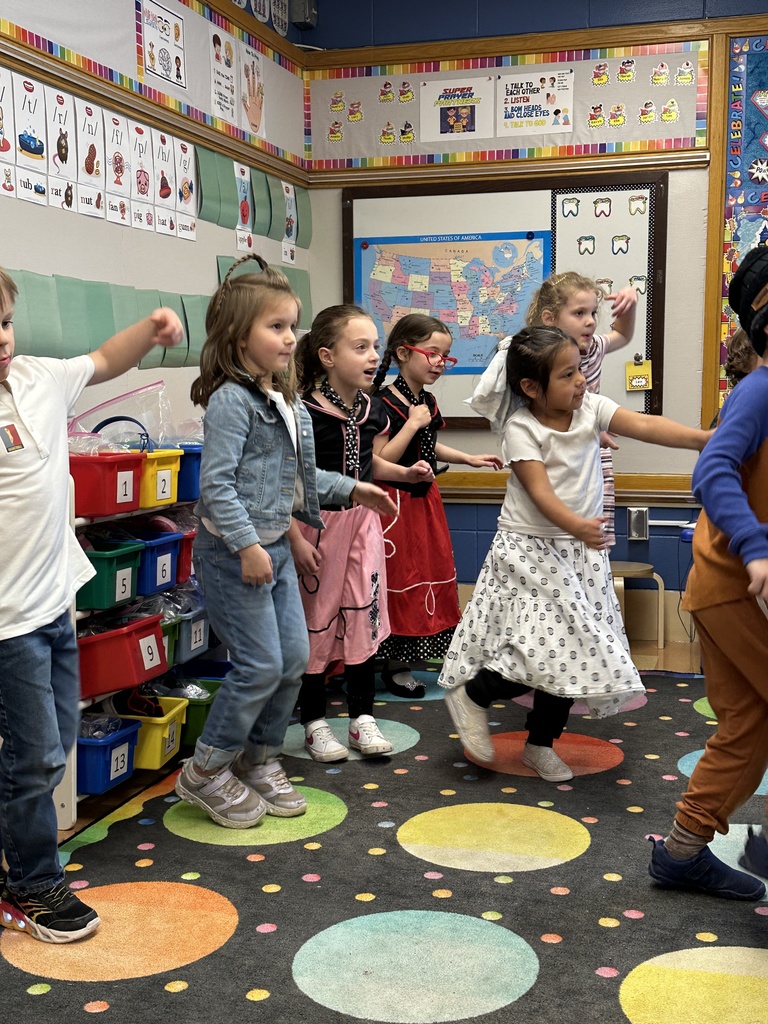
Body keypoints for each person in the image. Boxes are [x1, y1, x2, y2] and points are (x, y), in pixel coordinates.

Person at [176, 257, 396, 826]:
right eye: (276, 326)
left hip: (271, 549)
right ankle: (203, 771)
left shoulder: (287, 401)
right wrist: (249, 546)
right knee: (257, 666)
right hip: (233, 555)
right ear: (237, 336)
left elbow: (297, 480)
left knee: (294, 659)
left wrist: (354, 488)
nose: (289, 337)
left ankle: (258, 759)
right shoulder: (231, 400)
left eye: (291, 326)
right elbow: (217, 487)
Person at [0, 267, 184, 943]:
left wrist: (153, 327)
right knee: (36, 757)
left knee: (50, 746)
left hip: (53, 603)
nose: (1, 340)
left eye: (4, 322)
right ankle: (31, 884)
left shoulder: (39, 379)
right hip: (6, 625)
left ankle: (25, 862)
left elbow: (105, 359)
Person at [440, 325, 711, 781]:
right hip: (529, 549)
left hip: (578, 552)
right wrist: (577, 526)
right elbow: (540, 492)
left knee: (575, 651)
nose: (581, 381)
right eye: (567, 375)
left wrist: (699, 439)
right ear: (531, 387)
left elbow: (644, 424)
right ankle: (474, 693)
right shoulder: (521, 428)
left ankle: (540, 744)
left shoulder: (590, 409)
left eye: (579, 369)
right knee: (538, 649)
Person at [648, 246, 768, 900]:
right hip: (736, 584)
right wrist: (754, 546)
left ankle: (682, 853)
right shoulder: (761, 389)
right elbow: (711, 469)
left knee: (748, 727)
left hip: (724, 588)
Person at [290, 305, 433, 761]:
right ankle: (313, 721)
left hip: (363, 526)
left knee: (365, 616)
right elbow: (291, 479)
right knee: (316, 622)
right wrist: (294, 538)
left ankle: (361, 717)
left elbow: (367, 464)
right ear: (328, 357)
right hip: (317, 528)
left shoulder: (371, 409)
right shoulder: (304, 411)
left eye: (375, 346)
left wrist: (403, 475)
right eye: (361, 347)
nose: (374, 356)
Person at [371, 313, 503, 698]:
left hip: (424, 502)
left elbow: (430, 444)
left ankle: (407, 660)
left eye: (445, 356)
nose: (439, 363)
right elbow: (381, 457)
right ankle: (393, 665)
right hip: (394, 505)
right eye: (432, 353)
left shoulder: (424, 401)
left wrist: (470, 458)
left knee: (427, 573)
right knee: (401, 578)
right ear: (402, 353)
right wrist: (411, 424)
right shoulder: (383, 402)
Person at [526, 272, 638, 545]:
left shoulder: (594, 347)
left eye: (592, 313)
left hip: (593, 459)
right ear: (550, 318)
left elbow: (622, 334)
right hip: (554, 456)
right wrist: (582, 429)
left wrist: (630, 304)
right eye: (578, 313)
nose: (589, 321)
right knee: (555, 538)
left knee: (594, 540)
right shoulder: (533, 358)